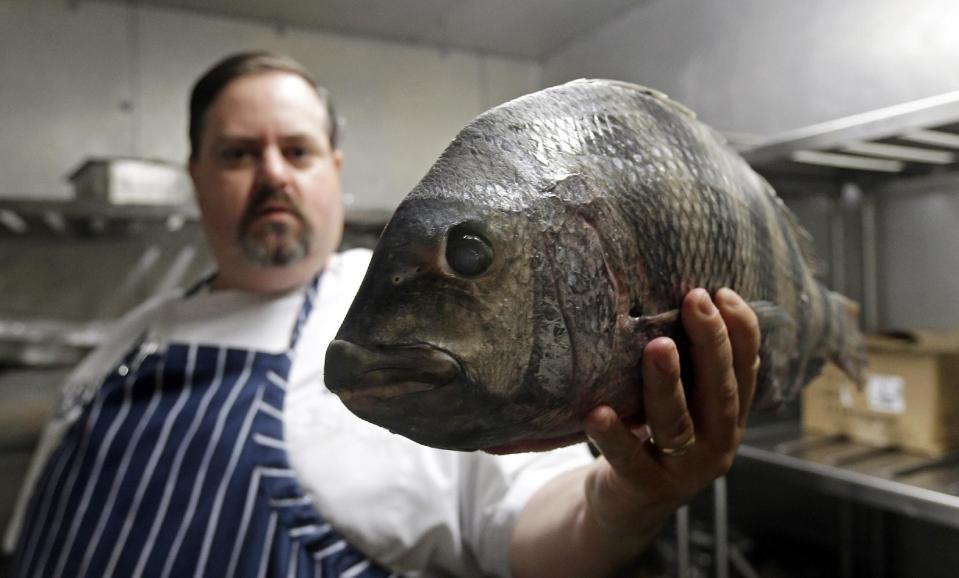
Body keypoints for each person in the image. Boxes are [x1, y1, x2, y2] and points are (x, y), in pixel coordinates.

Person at [3, 52, 760, 578]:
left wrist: (627, 502)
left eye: (296, 151)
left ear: (332, 172)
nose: (272, 173)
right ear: (196, 176)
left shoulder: (425, 325)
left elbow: (534, 533)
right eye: (238, 154)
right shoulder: (128, 339)